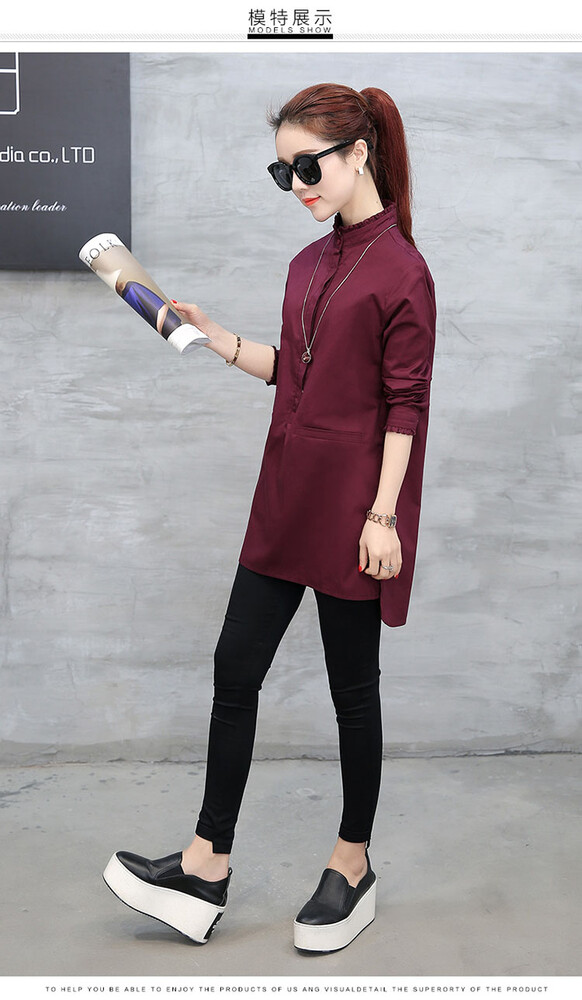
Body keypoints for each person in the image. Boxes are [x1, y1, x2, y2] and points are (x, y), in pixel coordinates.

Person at [103, 82, 436, 953]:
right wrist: (218, 337)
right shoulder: (307, 263)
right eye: (282, 172)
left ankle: (351, 865)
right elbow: (300, 369)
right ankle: (205, 866)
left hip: (354, 510)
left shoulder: (404, 271)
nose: (296, 186)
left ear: (358, 153)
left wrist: (383, 517)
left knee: (351, 693)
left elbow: (404, 404)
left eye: (306, 166)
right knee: (234, 669)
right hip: (285, 497)